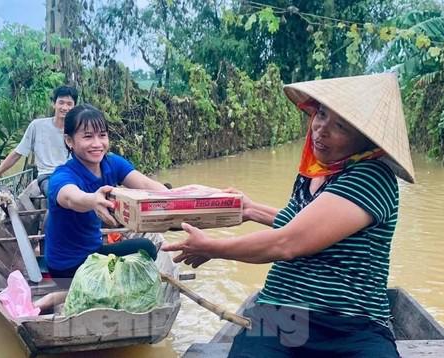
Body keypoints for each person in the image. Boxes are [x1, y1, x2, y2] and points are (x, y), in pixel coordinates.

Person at [162, 73, 415, 357]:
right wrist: (248, 208)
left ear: (364, 140)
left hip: (353, 324)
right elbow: (303, 223)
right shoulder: (315, 172)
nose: (321, 130)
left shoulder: (371, 176)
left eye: (340, 126)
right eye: (321, 114)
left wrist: (213, 247)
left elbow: (289, 242)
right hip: (283, 314)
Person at [35, 104, 168, 310]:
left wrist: (185, 195)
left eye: (102, 135)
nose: (97, 144)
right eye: (87, 137)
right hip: (69, 267)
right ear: (69, 141)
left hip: (93, 252)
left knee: (147, 248)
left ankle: (90, 289)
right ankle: (61, 295)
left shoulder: (111, 163)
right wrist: (93, 200)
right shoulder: (63, 175)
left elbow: (147, 186)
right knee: (145, 250)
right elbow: (70, 197)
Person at [0, 86, 78, 196]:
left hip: (70, 175)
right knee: (58, 194)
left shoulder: (77, 130)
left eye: (69, 104)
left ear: (74, 107)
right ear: (54, 104)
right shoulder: (37, 126)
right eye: (61, 102)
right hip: (47, 176)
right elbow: (17, 154)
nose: (65, 107)